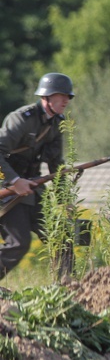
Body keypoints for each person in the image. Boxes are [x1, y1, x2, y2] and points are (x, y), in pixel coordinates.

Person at [0, 73, 75, 278]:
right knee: (19, 243)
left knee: (60, 237)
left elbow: (55, 165)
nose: (66, 100)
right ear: (47, 97)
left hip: (32, 186)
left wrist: (64, 199)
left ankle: (70, 289)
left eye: (68, 96)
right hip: (6, 188)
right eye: (61, 95)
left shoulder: (56, 124)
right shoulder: (21, 119)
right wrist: (14, 181)